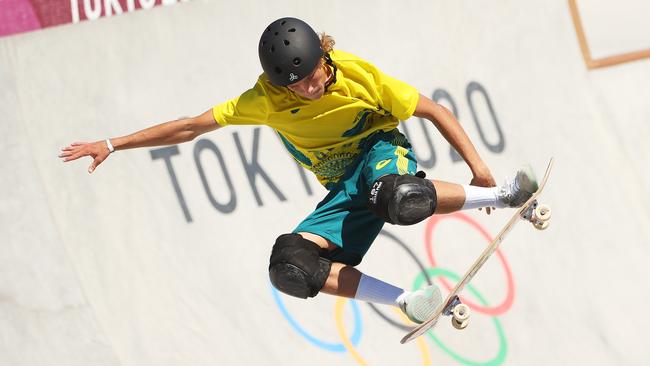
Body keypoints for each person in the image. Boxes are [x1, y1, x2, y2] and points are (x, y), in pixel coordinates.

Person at [59, 17, 537, 324]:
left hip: (379, 154)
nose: (309, 91)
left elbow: (433, 110)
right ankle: (408, 303)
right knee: (290, 264)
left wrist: (481, 171)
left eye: (313, 78)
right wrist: (110, 144)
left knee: (396, 197)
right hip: (340, 186)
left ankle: (507, 197)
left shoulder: (356, 74)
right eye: (296, 86)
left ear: (324, 57)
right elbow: (190, 128)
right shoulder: (264, 100)